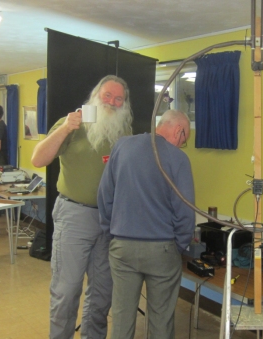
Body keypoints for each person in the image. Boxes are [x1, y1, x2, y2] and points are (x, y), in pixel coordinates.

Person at [31, 75, 133, 339]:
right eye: (107, 95)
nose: (112, 102)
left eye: (118, 98)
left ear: (124, 103)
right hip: (74, 215)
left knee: (101, 294)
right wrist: (65, 128)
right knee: (66, 291)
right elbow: (38, 159)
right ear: (96, 95)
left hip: (110, 221)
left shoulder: (124, 129)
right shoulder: (75, 121)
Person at [97, 109, 195, 339]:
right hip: (162, 249)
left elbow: (104, 195)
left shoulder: (122, 146)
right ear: (179, 130)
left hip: (122, 246)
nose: (182, 145)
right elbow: (185, 212)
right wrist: (177, 246)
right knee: (161, 320)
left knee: (121, 317)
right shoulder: (178, 159)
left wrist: (113, 233)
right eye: (185, 139)